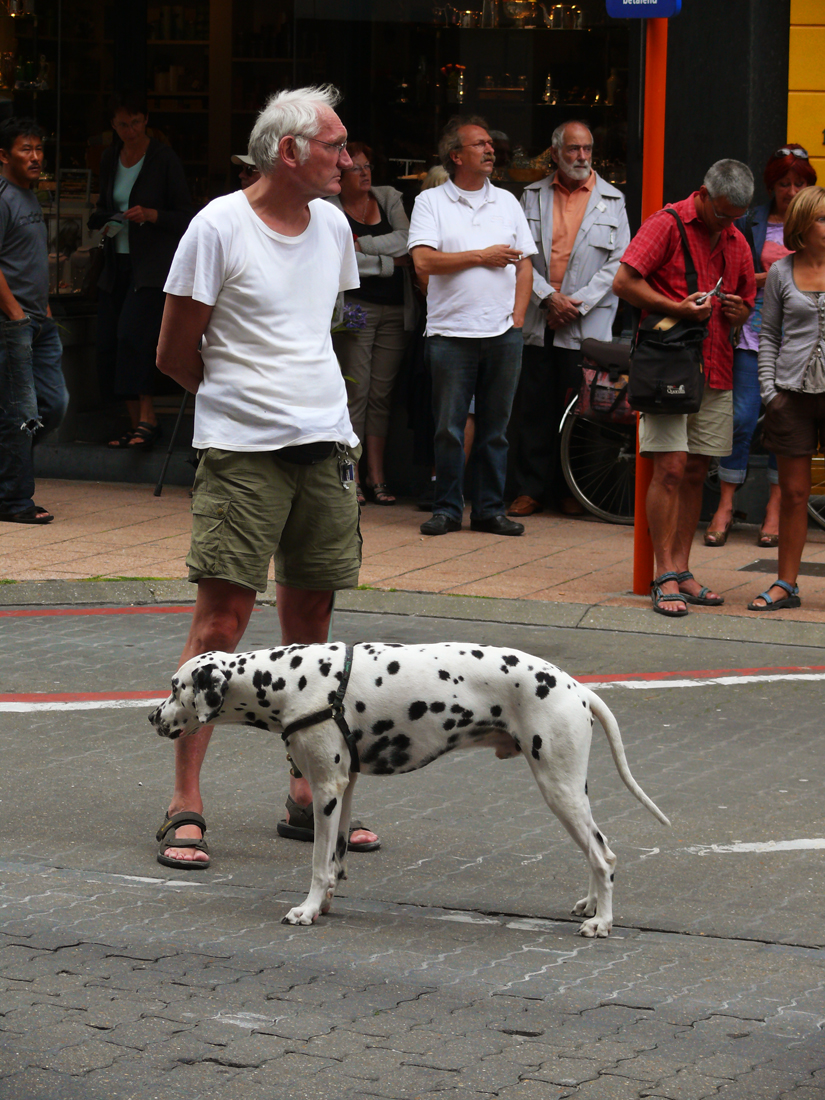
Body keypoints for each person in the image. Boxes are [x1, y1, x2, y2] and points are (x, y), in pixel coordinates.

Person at [154, 84, 378, 869]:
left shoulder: (333, 226)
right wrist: (241, 405)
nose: (347, 161)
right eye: (335, 146)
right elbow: (174, 354)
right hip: (243, 454)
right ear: (289, 152)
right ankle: (185, 801)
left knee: (311, 634)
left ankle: (302, 792)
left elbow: (323, 324)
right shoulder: (216, 226)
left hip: (325, 447)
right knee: (219, 630)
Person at [613, 160, 756, 616]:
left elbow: (747, 300)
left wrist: (737, 310)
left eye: (738, 217)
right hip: (669, 367)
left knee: (696, 471)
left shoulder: (736, 238)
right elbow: (624, 281)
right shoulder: (668, 222)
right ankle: (664, 574)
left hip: (716, 367)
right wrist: (675, 306)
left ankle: (683, 569)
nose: (730, 224)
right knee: (670, 469)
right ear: (704, 194)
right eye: (723, 214)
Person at [409, 115, 536, 537]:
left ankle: (488, 510)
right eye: (479, 144)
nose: (489, 149)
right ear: (456, 155)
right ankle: (447, 509)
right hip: (449, 334)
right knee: (448, 428)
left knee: (496, 431)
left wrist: (516, 321)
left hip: (502, 334)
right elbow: (424, 261)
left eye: (490, 144)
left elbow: (525, 267)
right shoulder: (431, 203)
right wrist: (481, 256)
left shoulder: (507, 202)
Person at [508, 120, 630, 518]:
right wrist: (548, 299)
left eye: (587, 149)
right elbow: (519, 254)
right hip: (540, 318)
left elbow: (619, 264)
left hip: (585, 322)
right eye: (574, 149)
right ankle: (530, 490)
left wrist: (576, 304)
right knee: (534, 408)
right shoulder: (531, 195)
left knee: (585, 411)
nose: (582, 157)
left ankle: (571, 493)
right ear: (555, 152)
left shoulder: (613, 200)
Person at [705, 144, 817, 548]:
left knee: (787, 423)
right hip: (753, 333)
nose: (791, 190)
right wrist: (765, 279)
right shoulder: (751, 222)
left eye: (800, 183)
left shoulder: (816, 227)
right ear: (772, 185)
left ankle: (775, 505)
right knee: (740, 416)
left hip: (803, 344)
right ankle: (726, 502)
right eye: (784, 183)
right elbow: (731, 274)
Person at [89, 92, 193, 451]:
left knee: (133, 336)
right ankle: (134, 422)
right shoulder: (109, 158)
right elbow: (104, 204)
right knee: (107, 341)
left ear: (146, 120)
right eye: (121, 124)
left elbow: (185, 216)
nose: (129, 130)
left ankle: (149, 416)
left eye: (135, 122)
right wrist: (105, 220)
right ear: (112, 126)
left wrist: (151, 215)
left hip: (151, 266)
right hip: (116, 262)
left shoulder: (163, 159)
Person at [747, 186, 825, 612]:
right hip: (790, 395)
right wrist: (769, 392)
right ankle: (786, 584)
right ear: (802, 225)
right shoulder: (781, 272)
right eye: (822, 219)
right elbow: (769, 336)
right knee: (794, 494)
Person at [327, 141, 414, 505]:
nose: (364, 173)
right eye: (356, 168)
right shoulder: (328, 208)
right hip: (355, 310)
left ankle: (377, 475)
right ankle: (352, 476)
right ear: (340, 174)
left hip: (395, 311)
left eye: (368, 166)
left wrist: (361, 247)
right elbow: (336, 257)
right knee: (356, 394)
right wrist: (387, 262)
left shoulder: (389, 198)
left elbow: (408, 241)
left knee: (381, 396)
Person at [0, 118, 67, 525]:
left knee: (54, 406)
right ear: (4, 156)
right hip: (14, 325)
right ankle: (14, 501)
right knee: (21, 414)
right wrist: (14, 313)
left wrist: (43, 308)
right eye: (26, 149)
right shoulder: (3, 196)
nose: (36, 156)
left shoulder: (30, 195)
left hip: (40, 322)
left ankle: (7, 475)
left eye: (39, 148)